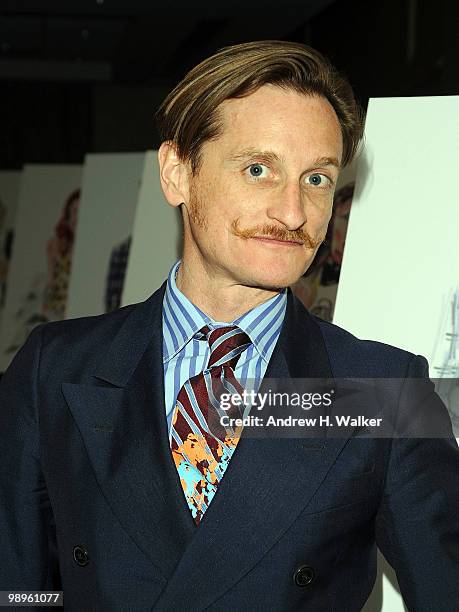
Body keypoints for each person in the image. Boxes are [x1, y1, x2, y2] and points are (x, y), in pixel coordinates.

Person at [0, 40, 458, 611]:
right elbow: (18, 587)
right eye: (258, 169)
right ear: (177, 174)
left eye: (317, 179)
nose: (293, 213)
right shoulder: (57, 367)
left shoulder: (383, 389)